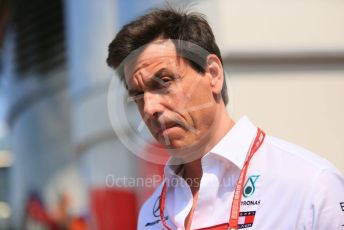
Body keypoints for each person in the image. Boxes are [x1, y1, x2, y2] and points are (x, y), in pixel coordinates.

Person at [106, 8, 344, 230]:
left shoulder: (312, 184)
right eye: (138, 95)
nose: (149, 107)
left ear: (213, 74)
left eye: (164, 81)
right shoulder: (150, 214)